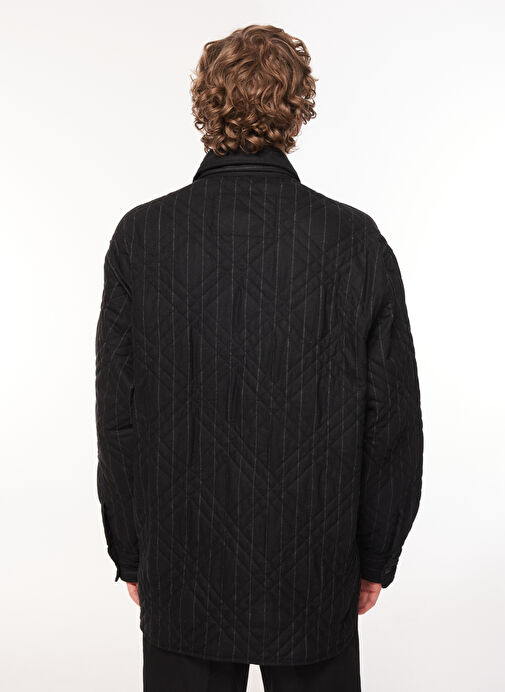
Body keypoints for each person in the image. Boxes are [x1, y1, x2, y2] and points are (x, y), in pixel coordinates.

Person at [95, 24, 423, 692]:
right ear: (297, 111)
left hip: (181, 563)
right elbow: (391, 418)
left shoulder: (143, 236)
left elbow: (118, 417)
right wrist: (375, 554)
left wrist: (131, 551)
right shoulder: (353, 240)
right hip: (314, 567)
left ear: (204, 105)